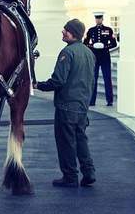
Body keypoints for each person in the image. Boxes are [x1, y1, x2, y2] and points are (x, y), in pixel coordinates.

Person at [35, 19, 96, 187]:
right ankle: (89, 172)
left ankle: (70, 177)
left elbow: (58, 81)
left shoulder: (67, 53)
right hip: (82, 106)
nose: (63, 32)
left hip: (66, 106)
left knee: (66, 142)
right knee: (81, 140)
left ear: (74, 33)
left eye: (66, 30)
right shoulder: (89, 53)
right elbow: (91, 81)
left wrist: (38, 85)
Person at [83, 12, 117, 106]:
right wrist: (92, 46)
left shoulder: (108, 30)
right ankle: (92, 100)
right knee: (93, 78)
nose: (98, 20)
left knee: (107, 78)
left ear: (102, 19)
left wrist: (105, 46)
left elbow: (114, 44)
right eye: (96, 18)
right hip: (95, 57)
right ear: (95, 19)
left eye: (99, 18)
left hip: (105, 57)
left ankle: (109, 101)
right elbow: (85, 43)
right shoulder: (91, 30)